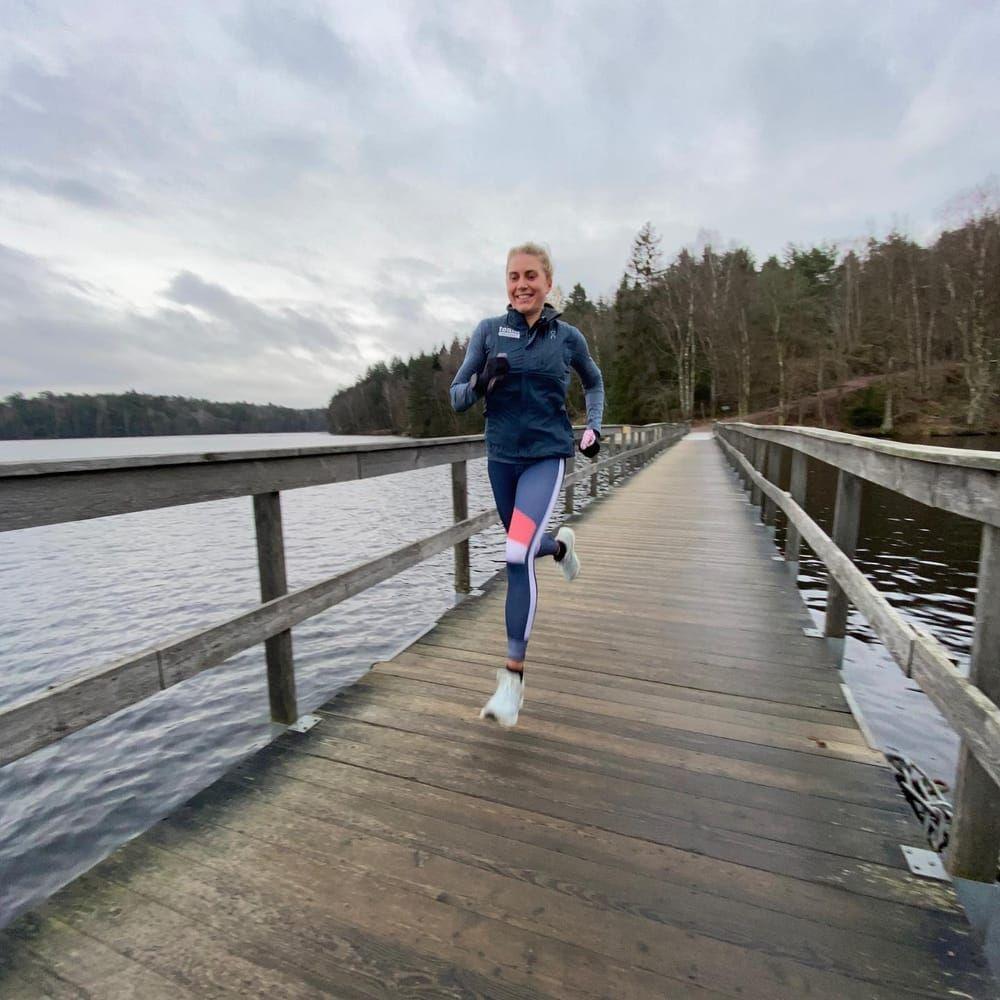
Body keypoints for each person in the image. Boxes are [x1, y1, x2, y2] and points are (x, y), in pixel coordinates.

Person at [450, 242, 604, 727]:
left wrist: (593, 426)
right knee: (525, 543)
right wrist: (480, 383)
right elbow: (455, 398)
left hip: (546, 455)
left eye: (531, 275)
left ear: (548, 282)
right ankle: (559, 549)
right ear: (507, 283)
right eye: (514, 276)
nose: (522, 284)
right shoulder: (487, 332)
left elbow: (593, 383)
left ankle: (513, 679)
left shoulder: (568, 338)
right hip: (501, 459)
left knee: (516, 554)